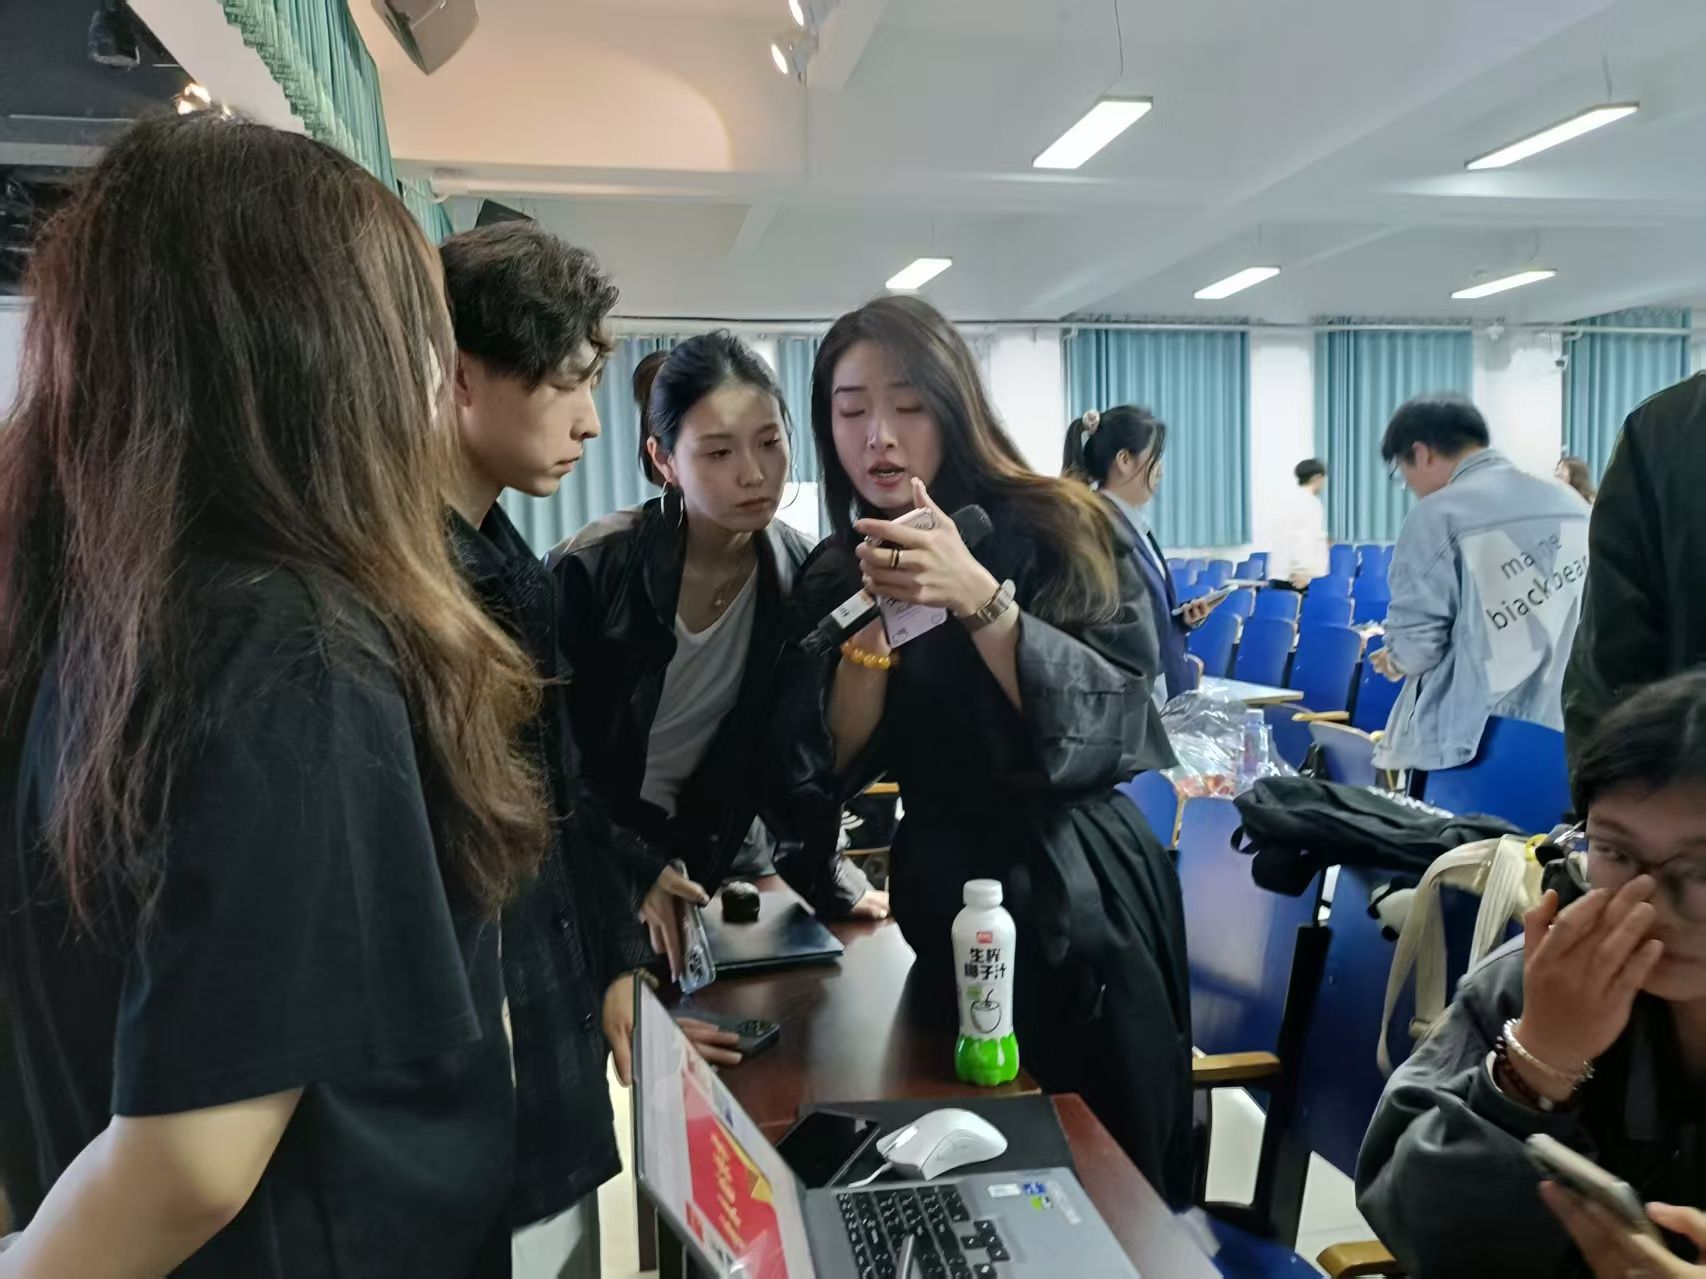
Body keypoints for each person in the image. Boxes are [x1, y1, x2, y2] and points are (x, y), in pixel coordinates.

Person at [0, 114, 541, 1277]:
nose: (433, 385)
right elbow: (190, 1163)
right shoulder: (286, 640)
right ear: (316, 356)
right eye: (414, 338)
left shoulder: (110, 606)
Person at [771, 295, 1193, 1206]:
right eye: (850, 410)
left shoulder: (1062, 523)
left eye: (907, 404)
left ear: (955, 405)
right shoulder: (841, 565)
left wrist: (978, 597)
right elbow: (824, 767)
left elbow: (1121, 719)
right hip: (945, 896)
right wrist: (870, 635)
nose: (879, 435)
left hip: (1081, 901)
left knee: (1102, 1188)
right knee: (959, 1177)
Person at [437, 224, 740, 1279]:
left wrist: (612, 960)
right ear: (460, 376)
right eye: (566, 383)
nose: (588, 420)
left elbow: (555, 792)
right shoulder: (418, 590)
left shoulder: (504, 558)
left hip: (547, 1042)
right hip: (477, 1080)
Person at [551, 332, 887, 980]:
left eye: (769, 442)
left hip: (704, 856)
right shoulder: (592, 571)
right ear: (664, 460)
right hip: (586, 851)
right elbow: (546, 762)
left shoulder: (802, 576)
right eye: (719, 451)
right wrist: (631, 864)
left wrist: (832, 877)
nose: (754, 473)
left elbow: (796, 760)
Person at [1357, 671, 1706, 1277]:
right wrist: (1538, 1060)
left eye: (1701, 869)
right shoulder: (1540, 982)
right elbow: (1409, 1224)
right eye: (1616, 853)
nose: (1647, 906)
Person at [1369, 396, 1590, 772]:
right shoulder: (1571, 503)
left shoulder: (1437, 515)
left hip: (1472, 741)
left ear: (1421, 453)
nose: (1409, 486)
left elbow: (1417, 650)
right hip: (1567, 728)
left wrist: (1394, 659)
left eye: (1401, 473)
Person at [1562, 373, 1706, 762]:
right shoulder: (1661, 432)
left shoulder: (1666, 428)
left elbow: (1608, 670)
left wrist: (1609, 788)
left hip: (1684, 779)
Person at [1062, 405, 1224, 702]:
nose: (1160, 470)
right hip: (1142, 700)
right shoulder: (1102, 528)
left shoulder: (1128, 523)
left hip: (1158, 692)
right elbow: (1114, 628)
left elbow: (1138, 611)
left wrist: (1181, 620)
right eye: (1154, 458)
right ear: (1124, 460)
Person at [1271, 457, 1331, 589]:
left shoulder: (1287, 500)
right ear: (1317, 477)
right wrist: (1304, 573)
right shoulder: (1311, 503)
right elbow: (1305, 539)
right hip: (1297, 577)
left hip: (1280, 572)